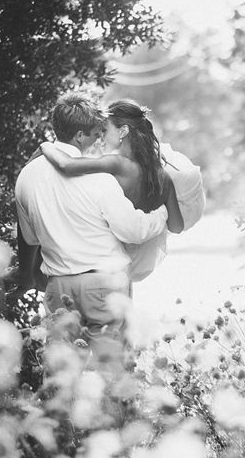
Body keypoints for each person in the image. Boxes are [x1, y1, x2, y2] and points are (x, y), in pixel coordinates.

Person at [14, 92, 168, 336]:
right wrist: (160, 215)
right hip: (104, 286)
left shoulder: (26, 177)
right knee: (111, 369)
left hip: (59, 286)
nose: (99, 138)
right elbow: (134, 231)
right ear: (79, 136)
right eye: (96, 133)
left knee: (62, 370)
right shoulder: (99, 179)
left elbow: (31, 239)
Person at [38, 99, 205, 283]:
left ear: (123, 131)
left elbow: (66, 165)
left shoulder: (116, 164)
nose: (101, 137)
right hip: (128, 265)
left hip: (97, 262)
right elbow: (176, 227)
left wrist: (46, 146)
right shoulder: (162, 177)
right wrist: (161, 210)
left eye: (105, 131)